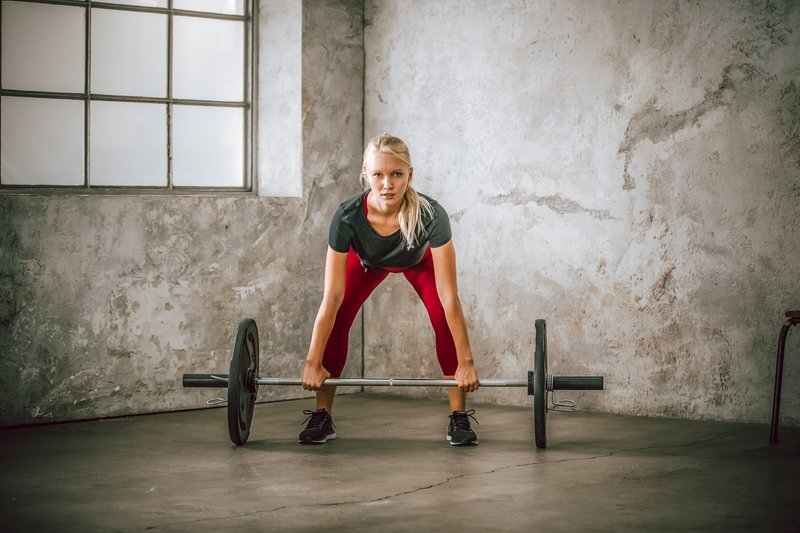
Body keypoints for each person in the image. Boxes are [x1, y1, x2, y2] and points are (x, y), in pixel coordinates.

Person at [300, 133, 480, 446]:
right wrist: (312, 363)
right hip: (368, 262)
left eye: (397, 174)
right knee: (339, 316)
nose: (388, 184)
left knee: (442, 318)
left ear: (410, 174)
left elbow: (450, 296)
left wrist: (466, 363)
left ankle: (458, 416)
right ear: (365, 175)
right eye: (379, 175)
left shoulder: (431, 215)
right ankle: (322, 415)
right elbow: (332, 296)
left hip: (418, 262)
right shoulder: (346, 217)